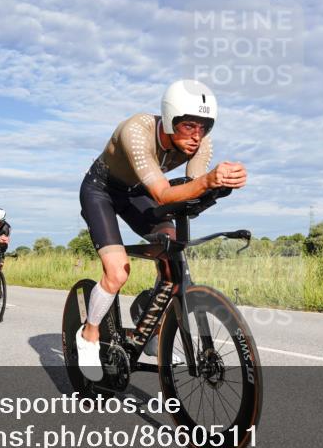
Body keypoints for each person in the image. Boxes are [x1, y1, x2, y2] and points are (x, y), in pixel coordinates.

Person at [76, 79, 247, 380]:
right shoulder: (136, 131)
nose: (197, 136)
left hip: (137, 190)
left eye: (204, 127)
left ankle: (149, 317)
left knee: (170, 251)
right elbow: (163, 194)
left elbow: (193, 188)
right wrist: (208, 180)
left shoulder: (200, 142)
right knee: (117, 272)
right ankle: (88, 335)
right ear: (169, 120)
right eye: (188, 126)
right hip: (101, 189)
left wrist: (221, 184)